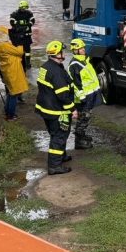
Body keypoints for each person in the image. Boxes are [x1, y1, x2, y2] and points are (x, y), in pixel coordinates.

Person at [35, 40, 76, 175]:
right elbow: (63, 95)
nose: (63, 54)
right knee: (59, 136)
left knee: (56, 133)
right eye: (61, 52)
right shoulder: (56, 72)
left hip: (46, 108)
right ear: (57, 54)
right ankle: (54, 166)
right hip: (56, 110)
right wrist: (72, 109)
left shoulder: (46, 66)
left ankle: (61, 156)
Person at [67, 38, 99, 150]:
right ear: (75, 50)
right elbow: (75, 84)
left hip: (90, 95)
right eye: (81, 48)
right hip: (83, 98)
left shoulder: (85, 60)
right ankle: (79, 142)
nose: (83, 49)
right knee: (83, 117)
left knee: (87, 116)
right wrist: (82, 97)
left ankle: (82, 136)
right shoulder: (74, 64)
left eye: (83, 47)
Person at [0, 28, 29, 121]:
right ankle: (10, 115)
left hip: (8, 70)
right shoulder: (4, 45)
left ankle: (7, 111)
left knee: (10, 92)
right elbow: (20, 52)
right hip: (12, 70)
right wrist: (20, 42)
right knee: (14, 93)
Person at [10, 0, 35, 72]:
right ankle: (20, 63)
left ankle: (27, 63)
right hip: (18, 36)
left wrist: (29, 25)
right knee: (19, 50)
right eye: (23, 8)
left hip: (27, 36)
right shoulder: (14, 14)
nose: (24, 10)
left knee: (27, 51)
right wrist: (19, 27)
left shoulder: (29, 13)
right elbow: (12, 22)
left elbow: (32, 21)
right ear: (20, 7)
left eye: (25, 8)